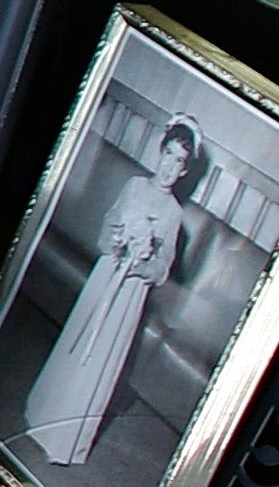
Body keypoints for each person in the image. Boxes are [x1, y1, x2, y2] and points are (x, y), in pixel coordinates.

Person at [21, 121, 202, 469]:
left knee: (101, 357)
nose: (170, 166)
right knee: (78, 342)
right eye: (168, 154)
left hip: (129, 292)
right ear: (159, 152)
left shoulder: (174, 214)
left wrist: (142, 261)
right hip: (105, 277)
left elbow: (163, 271)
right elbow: (107, 229)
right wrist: (117, 242)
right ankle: (43, 414)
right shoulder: (134, 186)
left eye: (179, 161)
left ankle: (66, 441)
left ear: (184, 171)